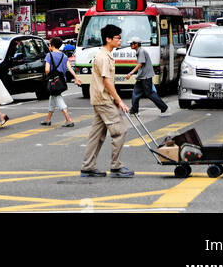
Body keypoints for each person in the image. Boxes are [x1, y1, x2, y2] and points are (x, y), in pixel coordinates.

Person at [80, 23, 133, 179]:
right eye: (117, 38)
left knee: (97, 135)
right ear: (108, 39)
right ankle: (116, 166)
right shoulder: (103, 57)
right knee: (120, 131)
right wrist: (119, 101)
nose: (120, 40)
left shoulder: (106, 55)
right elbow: (107, 82)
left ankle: (88, 167)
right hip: (103, 99)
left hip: (100, 98)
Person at [41, 36, 80, 127]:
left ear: (52, 45)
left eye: (49, 45)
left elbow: (47, 70)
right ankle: (48, 119)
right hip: (61, 81)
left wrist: (48, 75)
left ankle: (68, 119)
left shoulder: (49, 55)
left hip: (53, 81)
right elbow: (69, 68)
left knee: (57, 97)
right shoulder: (64, 55)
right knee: (53, 97)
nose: (49, 46)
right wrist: (76, 77)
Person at [129, 36, 168, 114]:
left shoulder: (141, 51)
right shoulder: (139, 51)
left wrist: (131, 73)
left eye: (132, 43)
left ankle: (163, 107)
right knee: (136, 92)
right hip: (142, 76)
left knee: (149, 93)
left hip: (145, 77)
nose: (131, 45)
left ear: (136, 44)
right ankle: (134, 109)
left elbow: (140, 64)